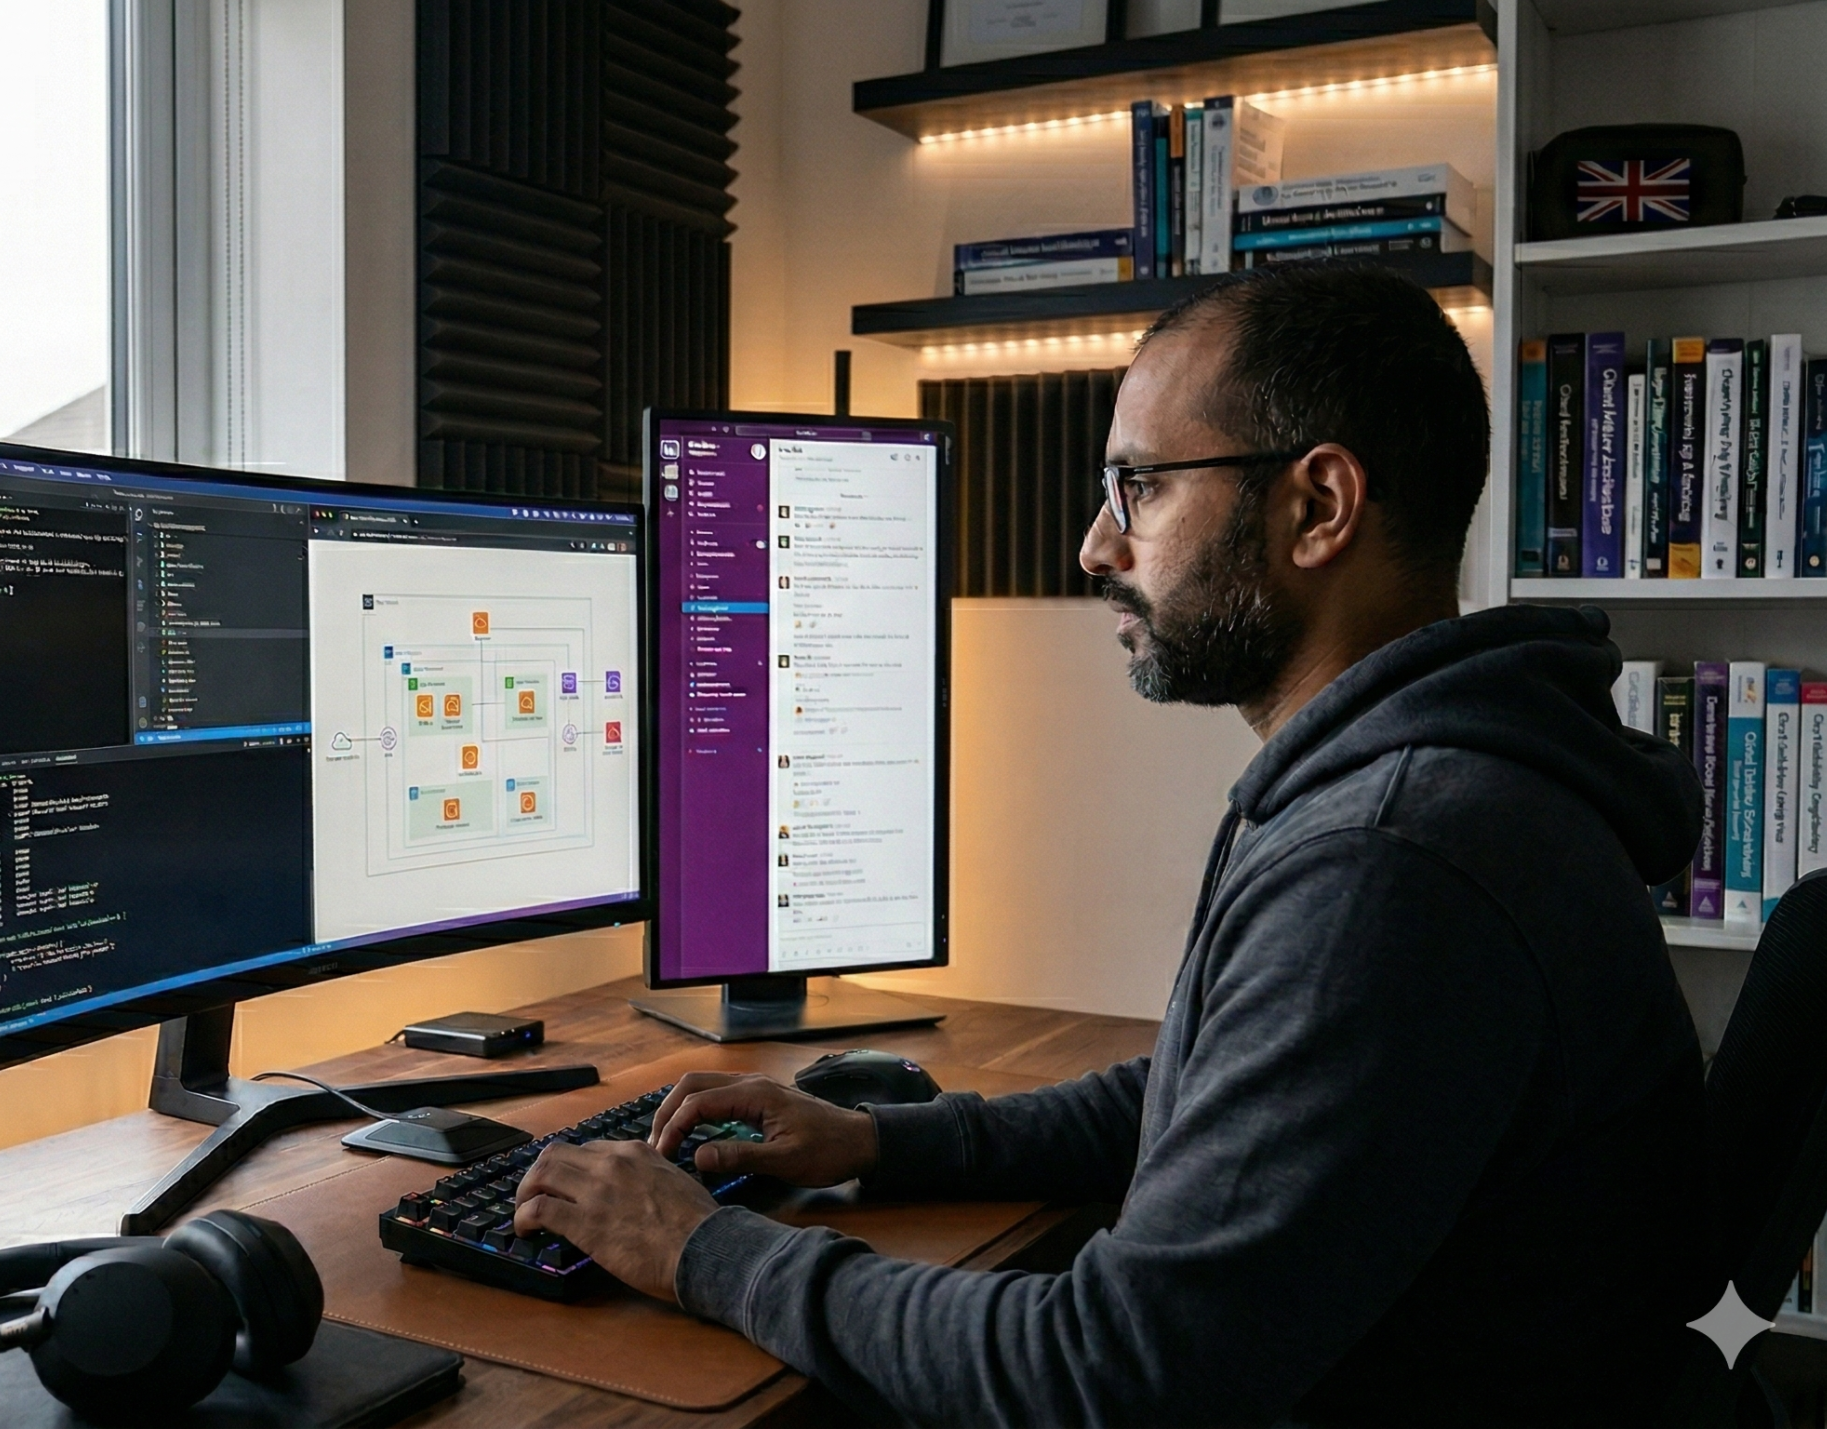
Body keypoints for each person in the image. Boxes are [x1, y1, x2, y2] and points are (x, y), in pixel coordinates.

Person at [513, 263, 1709, 1425]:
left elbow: (1108, 1376)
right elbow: (1213, 1100)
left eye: (1136, 485)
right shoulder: (1427, 784)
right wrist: (883, 1139)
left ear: (1319, 506)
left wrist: (702, 1250)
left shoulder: (1390, 857)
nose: (1094, 545)